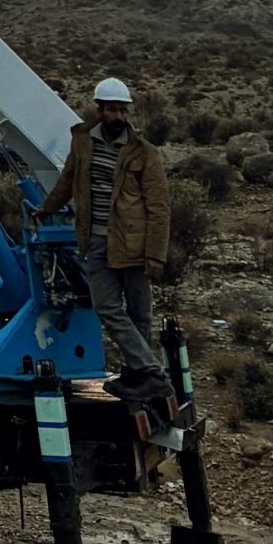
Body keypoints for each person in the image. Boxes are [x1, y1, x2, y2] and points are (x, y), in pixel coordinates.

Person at [47, 76, 171, 400]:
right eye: (111, 110)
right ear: (100, 109)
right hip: (97, 242)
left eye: (122, 110)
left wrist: (156, 254)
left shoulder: (144, 153)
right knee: (107, 307)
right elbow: (68, 179)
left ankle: (138, 376)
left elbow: (159, 207)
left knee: (139, 314)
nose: (117, 116)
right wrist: (46, 208)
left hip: (134, 244)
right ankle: (150, 371)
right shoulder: (84, 142)